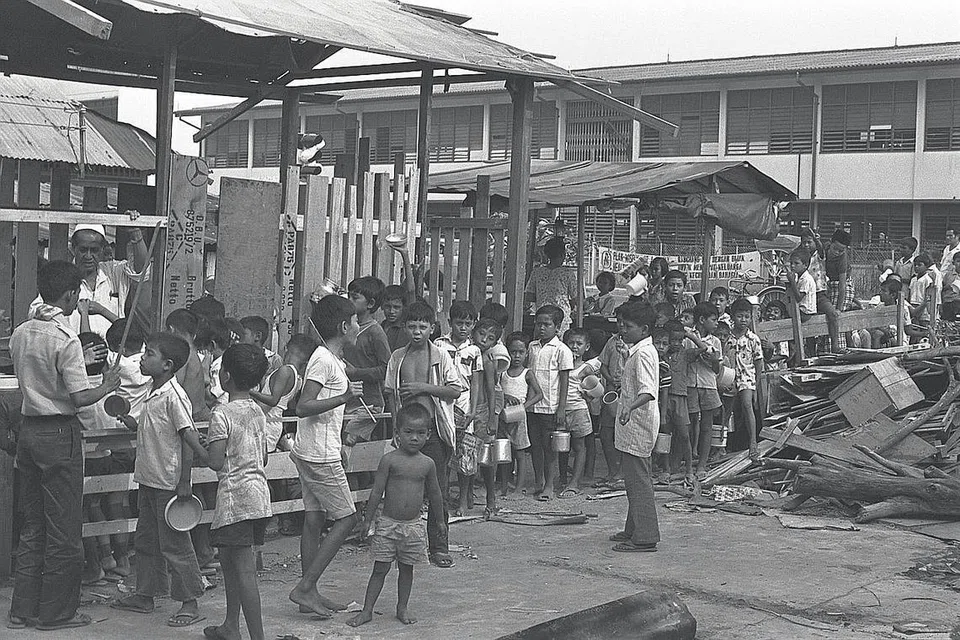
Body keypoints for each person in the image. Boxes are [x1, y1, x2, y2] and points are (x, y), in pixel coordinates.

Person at [8, 260, 120, 631]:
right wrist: (108, 384)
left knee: (32, 526)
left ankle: (22, 609)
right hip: (58, 434)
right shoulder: (66, 337)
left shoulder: (22, 332)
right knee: (63, 529)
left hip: (29, 433)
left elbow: (38, 378)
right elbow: (80, 397)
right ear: (71, 293)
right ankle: (55, 613)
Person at [110, 332, 205, 629]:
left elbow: (187, 438)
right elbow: (157, 430)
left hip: (168, 482)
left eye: (148, 353)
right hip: (149, 479)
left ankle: (190, 600)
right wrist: (132, 423)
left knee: (175, 545)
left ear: (167, 364)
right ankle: (145, 594)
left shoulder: (175, 398)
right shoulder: (154, 392)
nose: (141, 357)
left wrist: (185, 482)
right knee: (146, 542)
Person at [184, 344, 271, 640]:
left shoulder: (222, 413)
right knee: (232, 564)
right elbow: (264, 456)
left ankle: (256, 636)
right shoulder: (258, 410)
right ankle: (230, 626)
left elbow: (216, 462)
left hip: (235, 499)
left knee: (242, 569)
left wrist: (195, 442)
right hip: (258, 496)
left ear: (227, 376)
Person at [288, 295, 363, 616]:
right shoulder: (323, 359)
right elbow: (303, 406)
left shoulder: (329, 358)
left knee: (315, 519)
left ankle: (310, 594)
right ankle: (305, 588)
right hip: (319, 454)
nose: (359, 326)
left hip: (314, 448)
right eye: (356, 321)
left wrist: (348, 406)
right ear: (344, 326)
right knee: (348, 518)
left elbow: (321, 405)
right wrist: (345, 396)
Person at [347, 404, 445, 628]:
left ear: (428, 434)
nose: (414, 438)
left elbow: (436, 494)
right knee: (380, 568)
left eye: (421, 433)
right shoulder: (389, 460)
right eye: (409, 432)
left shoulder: (427, 464)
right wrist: (368, 519)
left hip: (413, 526)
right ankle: (367, 610)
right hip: (388, 525)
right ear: (397, 433)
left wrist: (440, 521)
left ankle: (402, 607)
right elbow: (376, 491)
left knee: (407, 569)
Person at [385, 299, 464, 568]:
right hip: (405, 433)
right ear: (404, 328)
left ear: (432, 328)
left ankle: (439, 546)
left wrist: (423, 387)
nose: (416, 331)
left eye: (422, 326)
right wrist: (396, 429)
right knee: (403, 488)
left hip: (433, 432)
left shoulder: (441, 356)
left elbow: (455, 390)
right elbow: (391, 395)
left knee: (437, 491)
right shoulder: (398, 357)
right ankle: (404, 545)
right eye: (411, 326)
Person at [29, 223, 150, 337]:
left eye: (94, 250)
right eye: (83, 250)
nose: (88, 256)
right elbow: (36, 311)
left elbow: (142, 270)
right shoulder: (61, 277)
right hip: (76, 351)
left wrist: (136, 234)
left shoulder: (113, 272)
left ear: (102, 249)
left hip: (114, 352)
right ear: (73, 248)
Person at [610, 301, 661, 552]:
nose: (623, 329)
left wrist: (629, 407)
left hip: (638, 422)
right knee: (634, 479)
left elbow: (648, 391)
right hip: (634, 424)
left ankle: (645, 536)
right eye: (622, 324)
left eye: (628, 326)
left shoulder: (643, 354)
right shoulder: (636, 351)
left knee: (638, 480)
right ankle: (633, 529)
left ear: (644, 329)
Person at [527, 304, 573, 501]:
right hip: (532, 405)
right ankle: (538, 480)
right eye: (539, 324)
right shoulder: (532, 346)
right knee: (535, 445)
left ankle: (549, 485)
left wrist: (561, 407)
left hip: (551, 405)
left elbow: (564, 380)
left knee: (549, 448)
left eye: (547, 324)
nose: (542, 328)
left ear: (558, 326)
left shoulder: (562, 350)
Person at [343, 276, 392, 444]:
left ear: (370, 304)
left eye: (355, 298)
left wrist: (356, 373)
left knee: (351, 444)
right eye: (348, 296)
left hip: (368, 405)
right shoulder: (346, 328)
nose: (349, 301)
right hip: (346, 399)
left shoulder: (375, 332)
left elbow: (387, 369)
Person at [250, 333, 317, 453]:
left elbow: (271, 402)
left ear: (286, 348)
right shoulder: (298, 379)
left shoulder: (285, 371)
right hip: (274, 424)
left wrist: (250, 392)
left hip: (266, 425)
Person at [466, 318, 506, 516]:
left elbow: (491, 391)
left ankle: (491, 498)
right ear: (474, 332)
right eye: (481, 334)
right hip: (467, 409)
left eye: (490, 338)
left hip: (483, 410)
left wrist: (492, 417)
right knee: (466, 455)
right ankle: (467, 497)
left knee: (487, 457)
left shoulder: (488, 360)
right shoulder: (466, 355)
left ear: (495, 343)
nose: (484, 340)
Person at [499, 332, 543, 495]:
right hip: (503, 417)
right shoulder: (502, 371)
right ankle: (504, 485)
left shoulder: (527, 373)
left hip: (519, 419)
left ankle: (519, 487)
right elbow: (497, 390)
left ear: (526, 353)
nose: (516, 356)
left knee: (520, 453)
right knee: (504, 453)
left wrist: (524, 406)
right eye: (513, 352)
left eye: (521, 352)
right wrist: (504, 397)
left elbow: (539, 394)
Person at [662, 320, 702, 484]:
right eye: (673, 340)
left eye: (679, 340)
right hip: (664, 397)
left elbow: (703, 348)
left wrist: (688, 335)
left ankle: (689, 470)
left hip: (681, 398)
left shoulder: (685, 354)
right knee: (664, 436)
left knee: (685, 435)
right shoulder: (662, 355)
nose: (676, 344)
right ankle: (665, 469)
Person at [557, 327, 596, 497]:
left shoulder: (586, 368)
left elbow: (595, 391)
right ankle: (563, 478)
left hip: (578, 409)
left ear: (586, 347)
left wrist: (588, 395)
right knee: (560, 446)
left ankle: (575, 481)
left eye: (579, 343)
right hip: (559, 409)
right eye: (571, 343)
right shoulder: (560, 364)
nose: (574, 346)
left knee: (579, 446)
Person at [688, 303, 722, 479]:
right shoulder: (688, 336)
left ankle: (702, 465)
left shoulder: (715, 341)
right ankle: (686, 463)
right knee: (688, 425)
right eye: (714, 320)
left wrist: (714, 360)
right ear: (702, 320)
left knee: (707, 426)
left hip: (708, 385)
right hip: (690, 384)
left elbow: (717, 369)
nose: (716, 323)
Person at [727, 298, 764, 459]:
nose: (743, 320)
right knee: (727, 410)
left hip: (747, 376)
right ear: (733, 317)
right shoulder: (727, 335)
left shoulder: (753, 338)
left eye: (747, 317)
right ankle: (722, 445)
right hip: (728, 375)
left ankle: (753, 442)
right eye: (740, 316)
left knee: (747, 405)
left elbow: (759, 362)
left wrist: (756, 384)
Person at [524, 237, 581, 333]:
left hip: (542, 315)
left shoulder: (537, 272)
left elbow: (529, 296)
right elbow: (576, 298)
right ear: (563, 255)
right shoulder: (567, 273)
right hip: (561, 317)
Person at [166, 308, 210, 421]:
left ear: (171, 330)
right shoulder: (192, 351)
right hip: (199, 412)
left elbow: (175, 387)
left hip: (193, 416)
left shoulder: (183, 353)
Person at [800, 229, 840, 353]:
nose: (806, 245)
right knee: (810, 322)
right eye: (804, 242)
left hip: (820, 294)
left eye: (809, 242)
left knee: (832, 314)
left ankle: (835, 345)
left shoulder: (819, 255)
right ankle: (811, 352)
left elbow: (820, 248)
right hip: (807, 295)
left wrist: (817, 239)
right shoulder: (801, 257)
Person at [381, 285, 411, 351]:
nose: (391, 311)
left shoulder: (405, 331)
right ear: (382, 306)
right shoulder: (380, 327)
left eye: (396, 307)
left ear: (404, 307)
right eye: (387, 306)